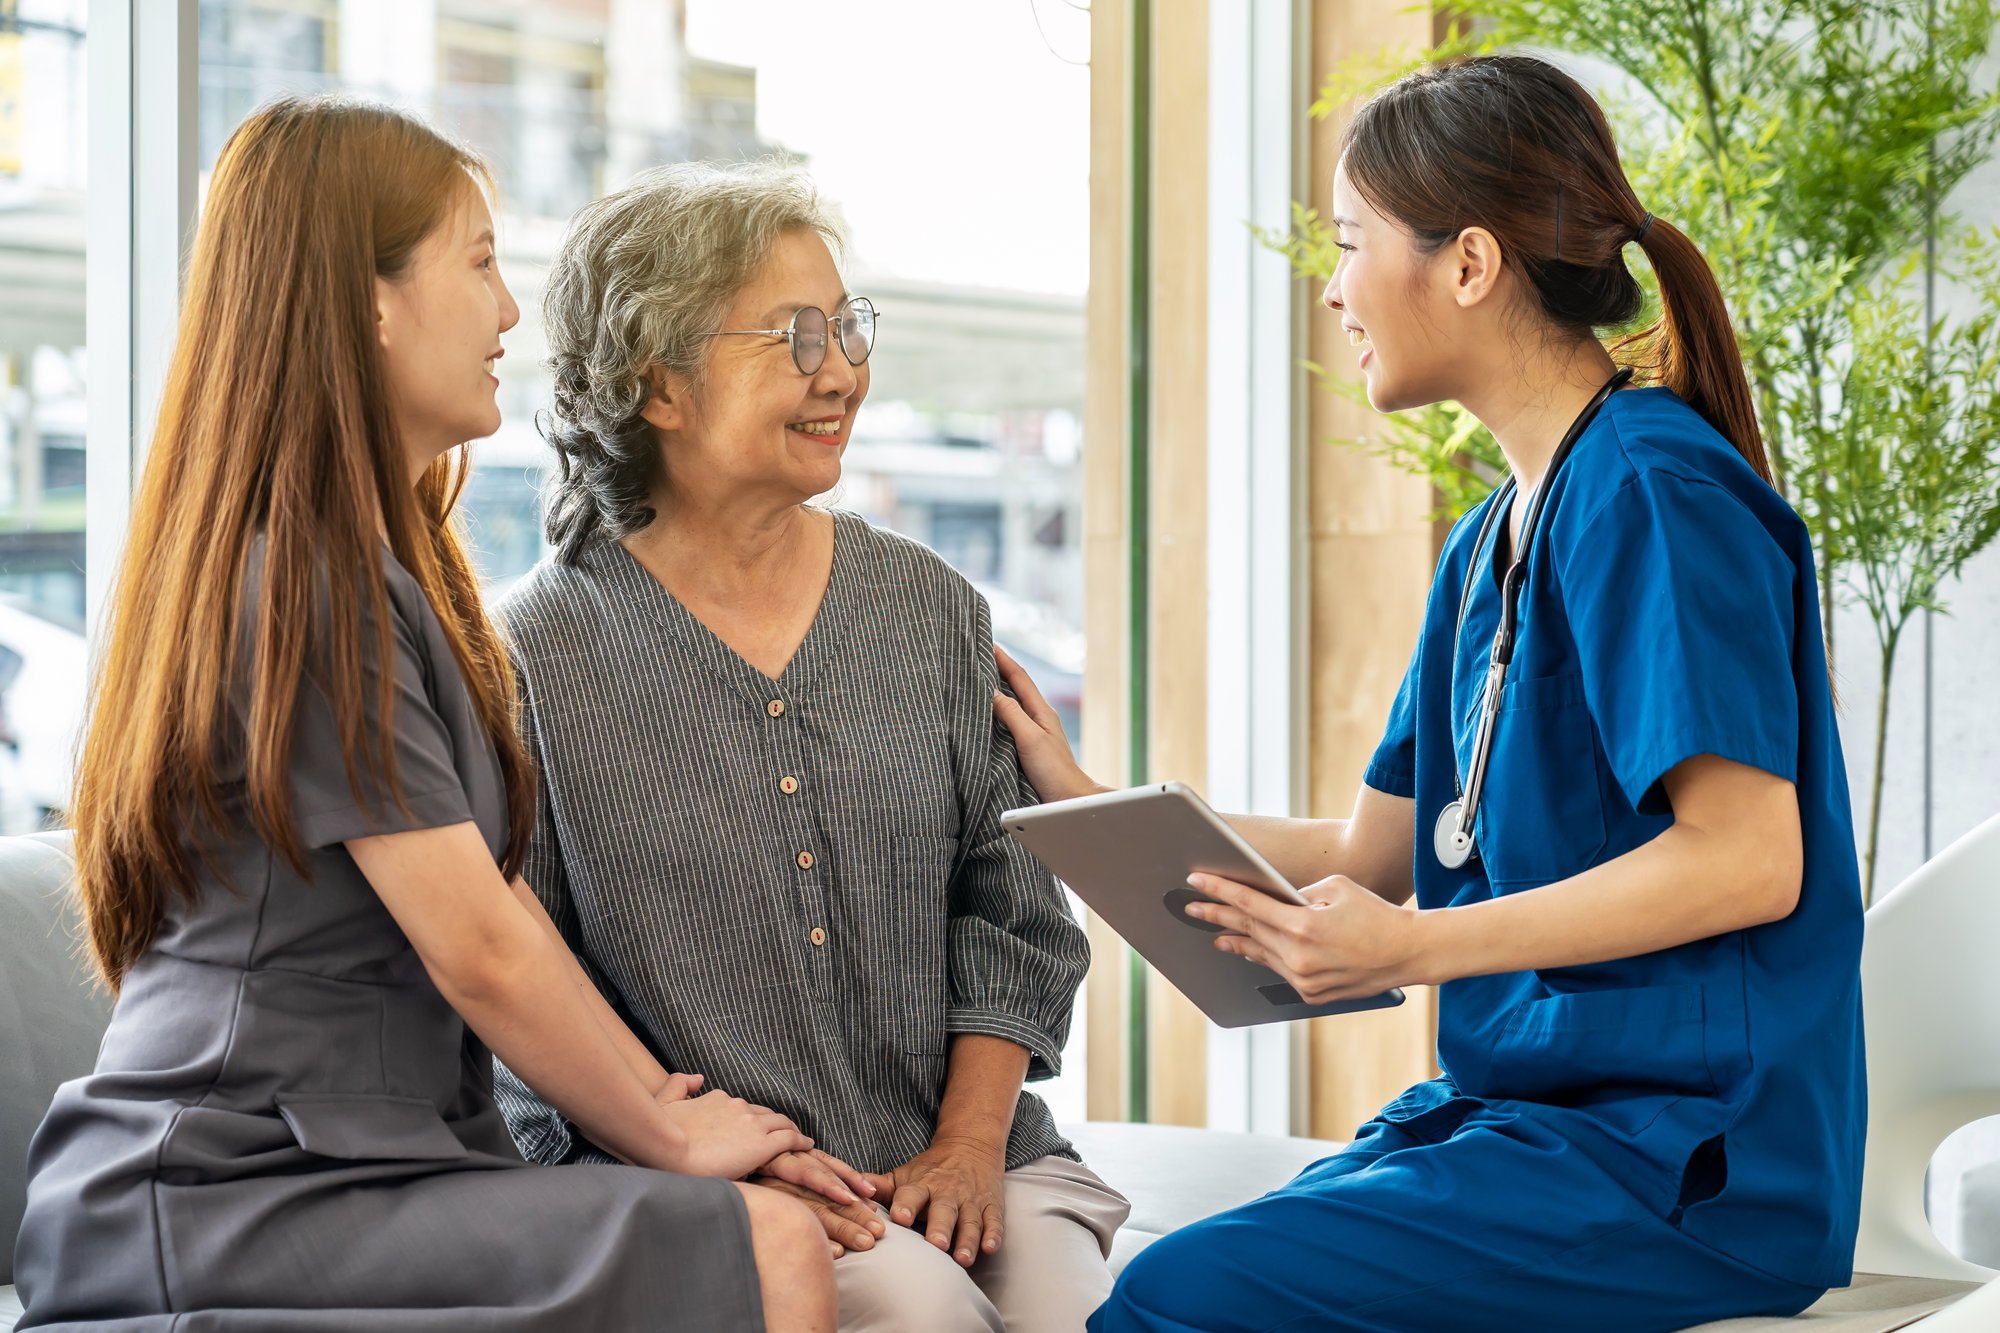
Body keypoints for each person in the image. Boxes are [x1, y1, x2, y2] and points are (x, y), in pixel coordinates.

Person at [997, 54, 1865, 1333]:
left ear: (1466, 264)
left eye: (1351, 245)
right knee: (1173, 1276)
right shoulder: (1482, 549)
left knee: (1176, 1302)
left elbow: (1746, 863)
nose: (1335, 289)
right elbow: (1372, 855)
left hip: (1685, 1162)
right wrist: (1081, 804)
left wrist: (1415, 950)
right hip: (1527, 1120)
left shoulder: (1650, 493)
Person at [14, 98, 854, 1332]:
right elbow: (477, 947)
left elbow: (497, 898)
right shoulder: (303, 579)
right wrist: (677, 1143)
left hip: (354, 1165)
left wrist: (672, 1110)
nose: (511, 310)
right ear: (371, 300)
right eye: (478, 261)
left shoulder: (383, 567)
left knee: (763, 1225)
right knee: (769, 1246)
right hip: (228, 1186)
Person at [489, 160, 1128, 1332]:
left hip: (975, 1164)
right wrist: (719, 1158)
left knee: (1083, 1318)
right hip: (713, 1188)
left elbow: (1016, 912)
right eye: (792, 336)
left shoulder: (926, 605)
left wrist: (967, 1146)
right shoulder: (526, 657)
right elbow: (527, 1011)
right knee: (921, 1313)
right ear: (656, 386)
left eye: (845, 326)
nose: (840, 369)